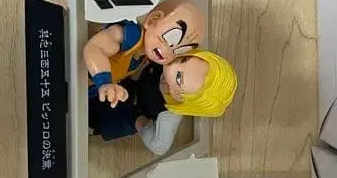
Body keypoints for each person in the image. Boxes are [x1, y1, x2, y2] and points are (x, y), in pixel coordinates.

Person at [88, 50, 238, 150]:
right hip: (119, 84)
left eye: (179, 78)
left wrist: (139, 122)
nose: (173, 66)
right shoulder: (163, 61)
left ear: (180, 96)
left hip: (121, 115)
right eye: (184, 59)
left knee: (88, 122)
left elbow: (159, 145)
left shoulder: (171, 112)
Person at [84, 0, 206, 97]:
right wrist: (104, 82)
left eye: (179, 51)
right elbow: (95, 48)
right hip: (79, 65)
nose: (169, 52)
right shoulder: (131, 35)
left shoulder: (145, 56)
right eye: (170, 38)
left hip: (86, 83)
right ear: (153, 19)